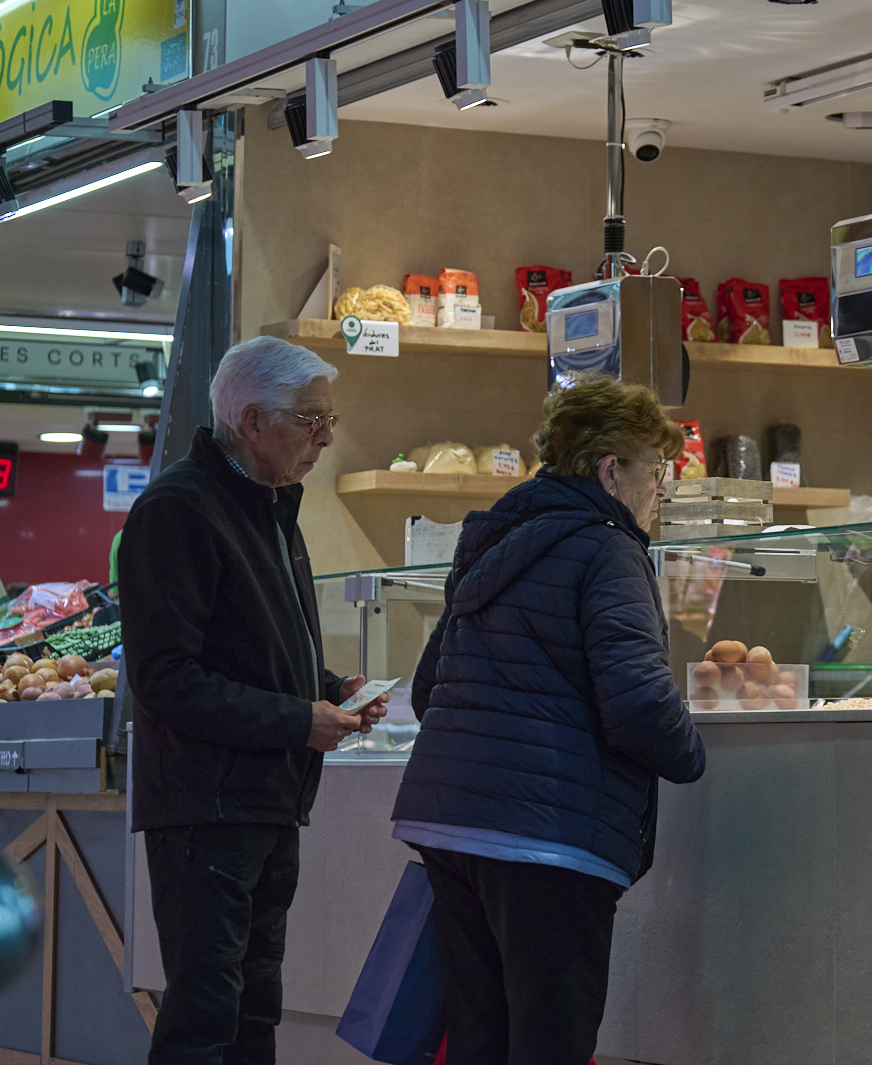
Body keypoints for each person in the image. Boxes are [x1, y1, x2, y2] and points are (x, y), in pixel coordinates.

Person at [391, 374, 707, 1065]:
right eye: (656, 469)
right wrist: (693, 752)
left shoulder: (496, 536)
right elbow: (640, 704)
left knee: (479, 1038)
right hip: (549, 838)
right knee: (550, 1042)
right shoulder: (609, 547)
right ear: (609, 470)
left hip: (451, 827)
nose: (662, 489)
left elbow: (427, 687)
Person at [120, 336, 388, 1064]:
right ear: (250, 421)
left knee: (253, 1014)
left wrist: (331, 689)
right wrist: (298, 720)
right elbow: (165, 678)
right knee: (204, 1021)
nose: (325, 437)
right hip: (206, 811)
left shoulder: (269, 507)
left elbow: (250, 649)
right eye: (310, 420)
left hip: (266, 803)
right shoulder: (177, 510)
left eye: (329, 419)